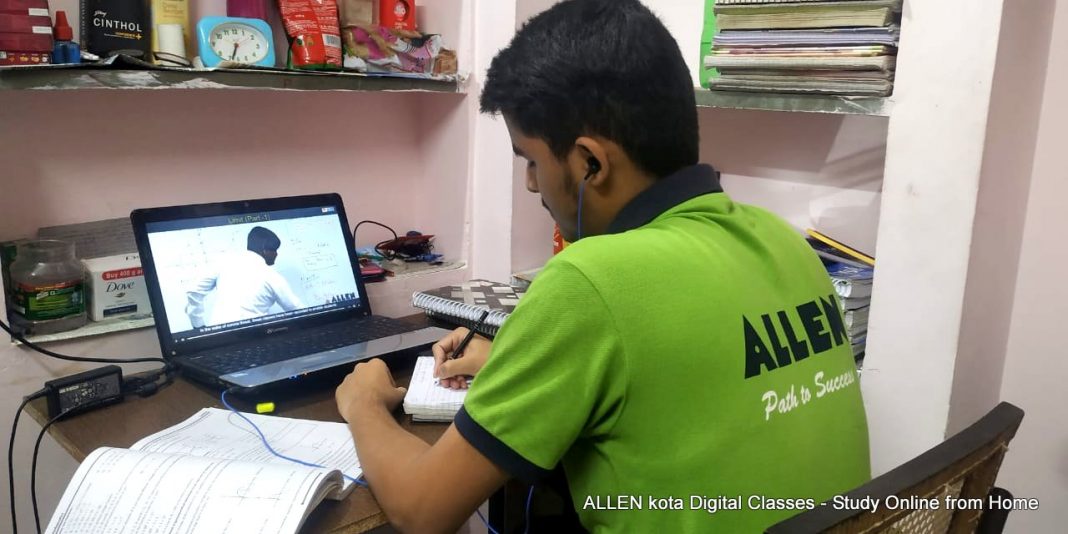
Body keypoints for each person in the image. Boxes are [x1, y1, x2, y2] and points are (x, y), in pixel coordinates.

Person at [333, 1, 870, 532]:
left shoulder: (591, 279)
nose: (532, 184)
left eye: (531, 160)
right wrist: (516, 363)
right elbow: (689, 370)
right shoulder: (783, 240)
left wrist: (364, 405)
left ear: (590, 162)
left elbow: (423, 510)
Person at [185, 226, 304, 328]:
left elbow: (194, 290)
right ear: (264, 250)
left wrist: (198, 326)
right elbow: (299, 312)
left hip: (219, 339)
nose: (276, 254)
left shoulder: (224, 262)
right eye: (274, 250)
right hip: (254, 339)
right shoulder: (272, 277)